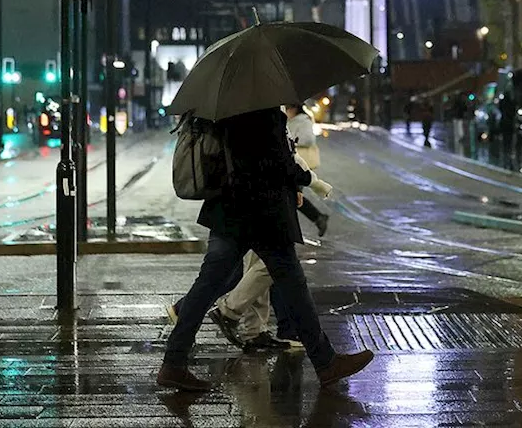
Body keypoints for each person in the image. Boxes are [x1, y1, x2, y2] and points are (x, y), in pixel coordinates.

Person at [158, 107, 373, 391]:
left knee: (209, 284)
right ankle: (325, 362)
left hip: (228, 209)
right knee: (292, 285)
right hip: (263, 213)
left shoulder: (230, 108)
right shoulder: (262, 109)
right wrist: (307, 179)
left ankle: (174, 361)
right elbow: (276, 162)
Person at [208, 104, 329, 353]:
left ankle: (254, 331)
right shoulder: (263, 114)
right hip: (262, 204)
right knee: (268, 267)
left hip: (255, 201)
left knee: (255, 265)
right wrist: (307, 181)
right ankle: (227, 311)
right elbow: (280, 160)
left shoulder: (261, 112)